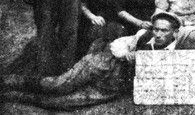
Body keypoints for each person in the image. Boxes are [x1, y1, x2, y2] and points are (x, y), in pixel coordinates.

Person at [0, 12, 181, 110]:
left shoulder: (175, 53)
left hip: (112, 86)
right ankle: (8, 81)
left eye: (164, 31)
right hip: (100, 66)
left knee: (61, 103)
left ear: (174, 33)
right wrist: (125, 54)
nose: (158, 34)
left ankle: (11, 95)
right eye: (156, 29)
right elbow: (116, 45)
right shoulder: (144, 35)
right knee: (57, 85)